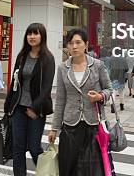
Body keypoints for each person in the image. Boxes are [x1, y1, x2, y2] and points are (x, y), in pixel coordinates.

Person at [48, 28, 113, 176]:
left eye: (78, 42)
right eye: (70, 43)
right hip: (70, 125)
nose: (74, 47)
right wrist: (54, 128)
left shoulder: (98, 65)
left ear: (86, 44)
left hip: (93, 125)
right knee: (69, 167)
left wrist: (99, 96)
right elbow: (60, 100)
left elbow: (109, 89)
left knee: (91, 170)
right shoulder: (63, 68)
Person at [4, 23, 55, 176]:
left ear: (42, 36)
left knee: (34, 147)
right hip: (18, 108)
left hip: (36, 110)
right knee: (18, 147)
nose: (31, 37)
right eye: (29, 34)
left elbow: (47, 88)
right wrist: (8, 107)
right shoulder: (22, 56)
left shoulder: (48, 59)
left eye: (35, 34)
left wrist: (34, 107)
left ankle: (48, 173)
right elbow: (14, 83)